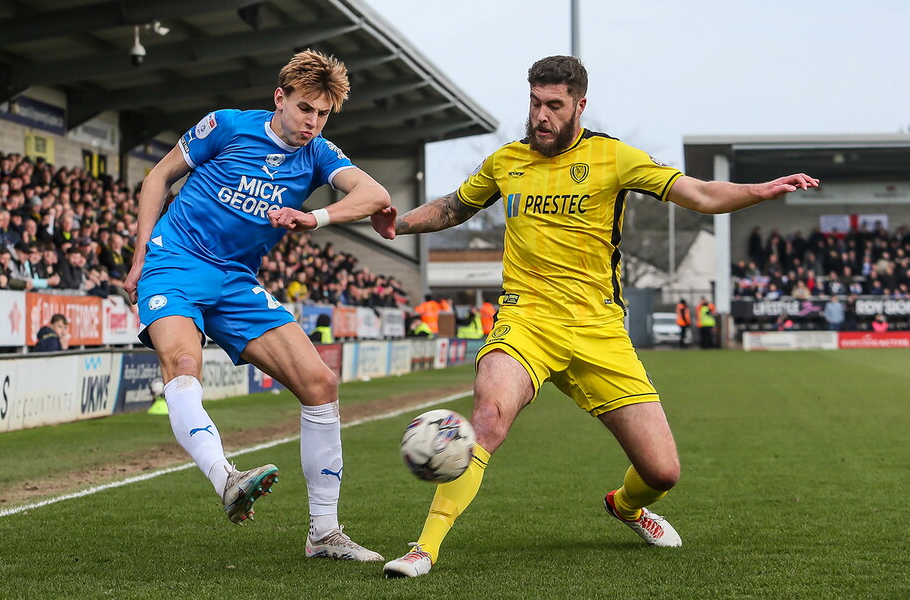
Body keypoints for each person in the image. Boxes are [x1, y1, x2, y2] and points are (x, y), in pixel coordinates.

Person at [370, 55, 820, 578]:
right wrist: (398, 225)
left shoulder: (615, 158)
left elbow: (696, 192)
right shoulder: (506, 161)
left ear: (580, 105)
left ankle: (626, 506)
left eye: (554, 105)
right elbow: (453, 207)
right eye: (535, 103)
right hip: (526, 321)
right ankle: (424, 549)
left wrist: (760, 191)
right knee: (488, 420)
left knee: (662, 470)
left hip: (598, 330)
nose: (541, 115)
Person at [123, 50, 389, 561]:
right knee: (183, 363)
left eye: (323, 114)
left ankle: (324, 533)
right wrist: (139, 259)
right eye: (305, 108)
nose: (312, 122)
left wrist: (317, 219)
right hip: (175, 261)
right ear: (279, 98)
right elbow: (158, 178)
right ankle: (226, 477)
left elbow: (373, 193)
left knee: (321, 383)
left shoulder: (318, 155)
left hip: (236, 280)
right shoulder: (225, 126)